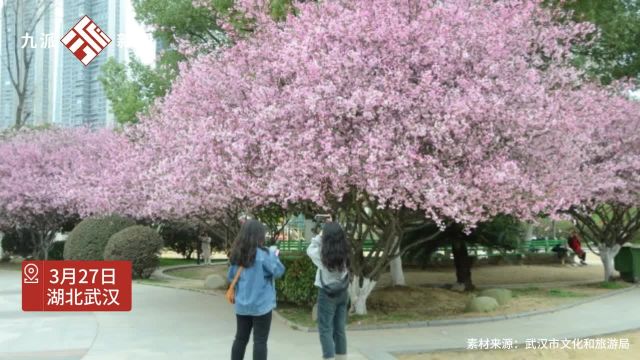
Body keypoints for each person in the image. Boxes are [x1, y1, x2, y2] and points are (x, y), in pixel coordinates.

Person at [228, 219, 285, 360]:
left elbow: (231, 278)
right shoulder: (265, 255)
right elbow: (278, 272)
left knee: (240, 339)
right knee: (260, 341)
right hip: (262, 305)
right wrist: (274, 255)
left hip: (242, 304)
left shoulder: (236, 255)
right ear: (259, 235)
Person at [307, 220, 350, 360]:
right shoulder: (346, 251)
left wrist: (319, 236)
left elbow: (309, 249)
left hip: (327, 294)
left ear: (326, 236)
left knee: (325, 329)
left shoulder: (322, 254)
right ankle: (341, 357)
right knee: (339, 329)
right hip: (343, 293)